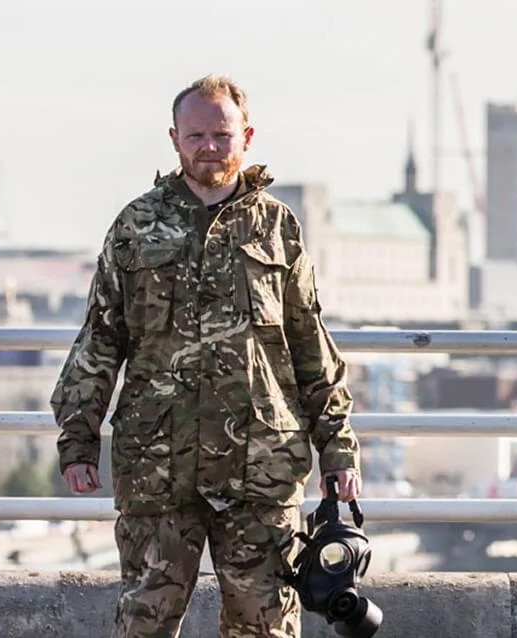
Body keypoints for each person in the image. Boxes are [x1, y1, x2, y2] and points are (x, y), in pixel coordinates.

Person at [50, 74, 362, 638]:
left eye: (221, 134)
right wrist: (78, 438)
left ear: (247, 136)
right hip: (158, 466)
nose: (209, 147)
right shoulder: (136, 226)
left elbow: (311, 346)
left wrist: (339, 451)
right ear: (174, 139)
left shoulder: (278, 228)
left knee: (263, 627)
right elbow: (100, 339)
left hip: (261, 469)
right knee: (145, 621)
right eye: (196, 135)